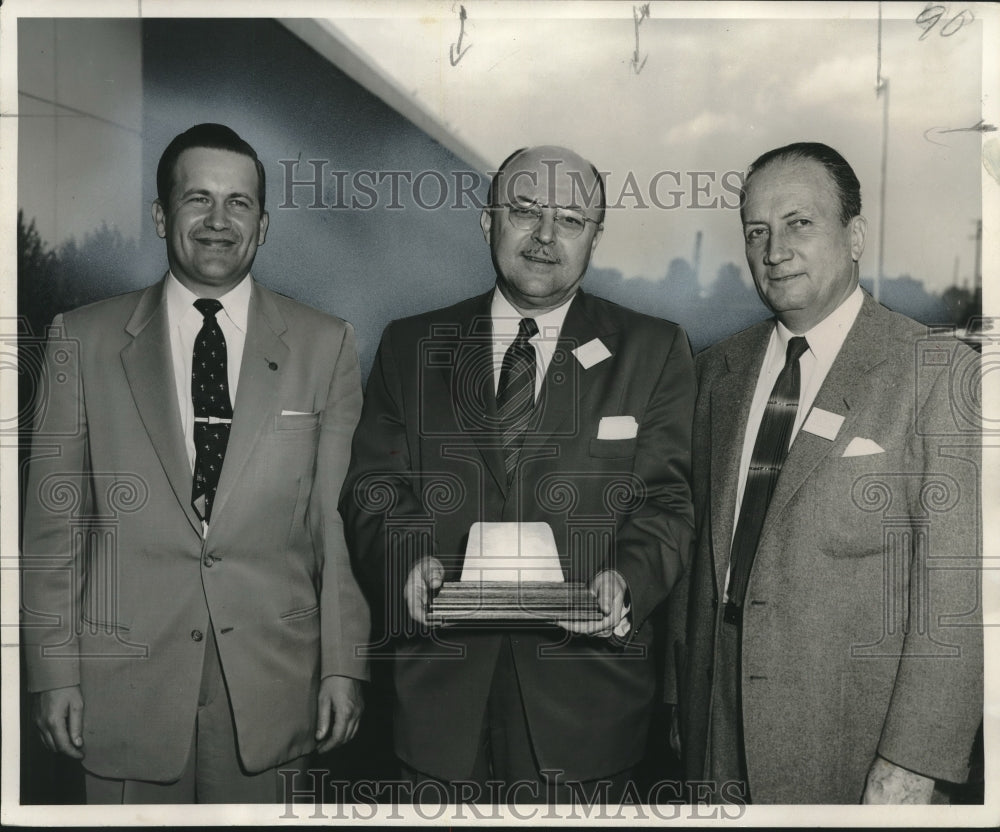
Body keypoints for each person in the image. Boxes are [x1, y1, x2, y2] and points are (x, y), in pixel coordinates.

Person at [21, 123, 370, 803]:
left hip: (275, 688)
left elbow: (336, 526)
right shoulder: (81, 339)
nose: (218, 221)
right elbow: (53, 531)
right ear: (160, 215)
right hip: (121, 690)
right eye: (197, 199)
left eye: (239, 203)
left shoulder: (327, 346)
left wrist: (343, 664)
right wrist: (52, 673)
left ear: (263, 225)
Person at [340, 145, 696, 803]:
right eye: (525, 211)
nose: (544, 236)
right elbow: (376, 489)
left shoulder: (653, 350)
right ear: (488, 222)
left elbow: (668, 502)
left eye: (570, 219)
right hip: (437, 710)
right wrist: (409, 561)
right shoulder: (409, 346)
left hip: (589, 715)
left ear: (595, 236)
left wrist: (627, 582)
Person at [668, 142, 982, 804]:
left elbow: (955, 594)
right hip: (713, 727)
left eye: (799, 222)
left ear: (856, 235)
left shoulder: (935, 372)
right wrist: (682, 715)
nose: (774, 249)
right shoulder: (714, 374)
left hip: (851, 740)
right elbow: (698, 565)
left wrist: (914, 762)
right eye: (757, 230)